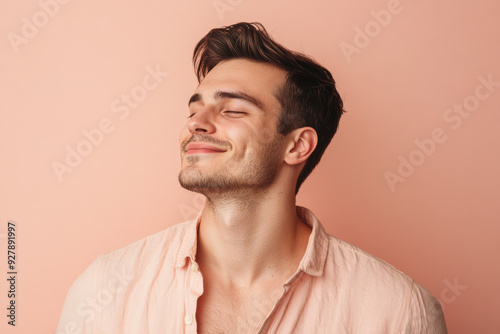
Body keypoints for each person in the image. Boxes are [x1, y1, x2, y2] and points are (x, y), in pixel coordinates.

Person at [56, 22, 447, 333]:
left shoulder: (398, 311)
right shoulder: (103, 289)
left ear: (297, 146)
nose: (196, 124)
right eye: (195, 108)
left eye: (234, 111)